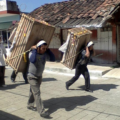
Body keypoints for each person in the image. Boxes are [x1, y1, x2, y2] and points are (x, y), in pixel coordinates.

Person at [27, 40, 55, 117]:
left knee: (33, 91)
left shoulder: (45, 54)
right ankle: (42, 112)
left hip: (39, 76)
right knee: (37, 93)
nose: (44, 50)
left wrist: (48, 50)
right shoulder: (32, 53)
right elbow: (32, 60)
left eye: (45, 48)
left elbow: (53, 59)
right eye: (43, 48)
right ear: (38, 48)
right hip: (31, 76)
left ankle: (29, 105)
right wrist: (35, 49)